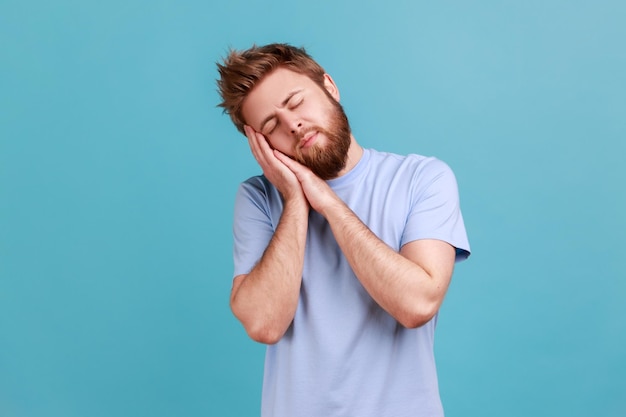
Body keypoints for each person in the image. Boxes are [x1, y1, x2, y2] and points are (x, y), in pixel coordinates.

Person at [217, 43, 470, 417]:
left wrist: (328, 202)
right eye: (272, 126)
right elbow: (264, 323)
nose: (293, 124)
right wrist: (295, 200)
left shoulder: (423, 178)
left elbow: (417, 304)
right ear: (262, 146)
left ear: (329, 87)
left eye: (296, 102)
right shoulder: (258, 198)